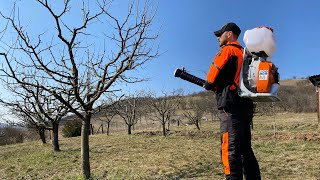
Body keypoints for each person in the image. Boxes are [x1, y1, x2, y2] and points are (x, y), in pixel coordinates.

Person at [203, 22, 261, 180]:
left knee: (230, 150)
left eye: (219, 35)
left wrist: (212, 85)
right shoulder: (246, 54)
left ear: (228, 34)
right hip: (246, 109)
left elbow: (209, 80)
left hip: (230, 110)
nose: (217, 39)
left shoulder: (227, 50)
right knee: (245, 150)